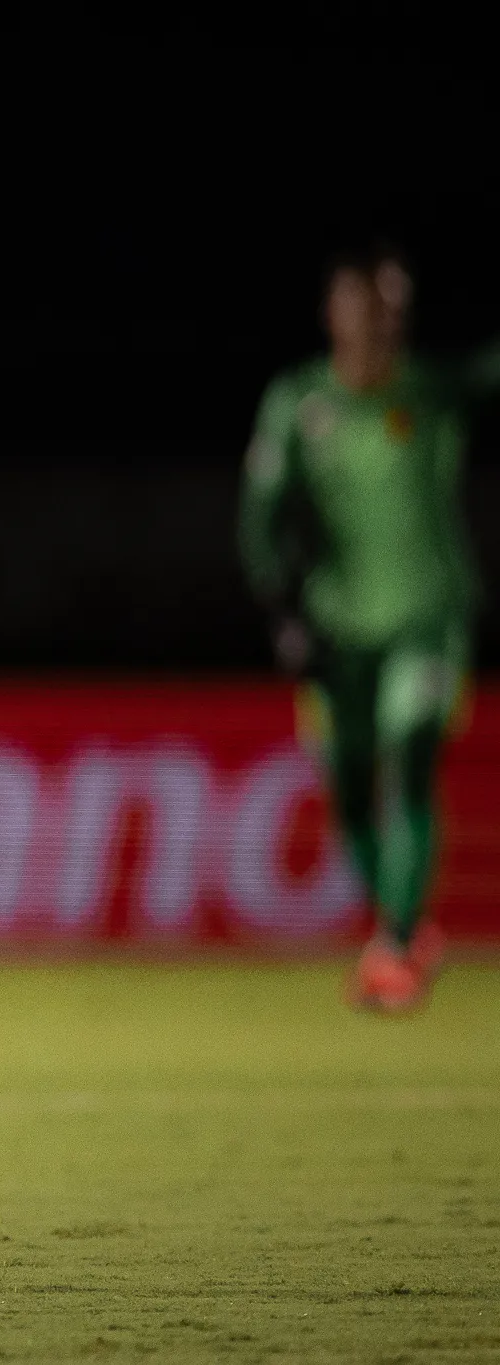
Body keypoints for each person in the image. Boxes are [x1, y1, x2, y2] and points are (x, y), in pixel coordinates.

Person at [239, 246, 497, 1012]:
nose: (380, 325)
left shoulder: (434, 391)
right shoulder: (300, 401)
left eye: (391, 311)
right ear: (334, 314)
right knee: (352, 789)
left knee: (411, 758)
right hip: (337, 630)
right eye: (365, 308)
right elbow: (260, 517)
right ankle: (404, 923)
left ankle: (395, 943)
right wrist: (283, 610)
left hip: (427, 618)